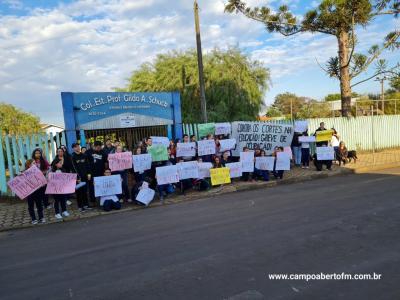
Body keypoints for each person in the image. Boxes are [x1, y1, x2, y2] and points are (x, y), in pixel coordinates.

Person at [71, 143, 91, 212]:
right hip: (78, 178)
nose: (78, 148)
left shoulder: (84, 155)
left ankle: (86, 205)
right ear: (73, 148)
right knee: (79, 192)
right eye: (76, 147)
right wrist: (78, 177)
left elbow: (88, 165)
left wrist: (89, 174)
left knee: (85, 191)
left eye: (78, 146)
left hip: (85, 176)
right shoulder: (73, 157)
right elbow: (74, 168)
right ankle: (80, 206)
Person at [50, 152, 70, 220]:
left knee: (63, 199)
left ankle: (64, 211)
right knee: (56, 200)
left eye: (61, 163)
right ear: (56, 164)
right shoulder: (52, 171)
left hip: (62, 188)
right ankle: (57, 213)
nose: (61, 164)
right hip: (55, 189)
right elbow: (49, 179)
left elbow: (66, 177)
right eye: (60, 163)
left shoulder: (63, 169)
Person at [25, 159, 45, 224]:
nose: (35, 164)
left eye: (35, 163)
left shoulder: (38, 171)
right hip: (30, 192)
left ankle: (41, 217)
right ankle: (33, 219)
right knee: (31, 206)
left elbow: (42, 180)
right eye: (33, 163)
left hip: (38, 191)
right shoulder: (25, 172)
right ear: (29, 165)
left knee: (39, 204)